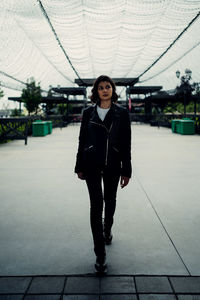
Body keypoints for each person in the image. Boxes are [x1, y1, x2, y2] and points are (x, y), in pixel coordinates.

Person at [75, 75, 132, 273]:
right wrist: (79, 165)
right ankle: (100, 253)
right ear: (96, 92)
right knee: (96, 205)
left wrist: (127, 169)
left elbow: (126, 142)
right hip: (91, 164)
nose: (105, 90)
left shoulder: (121, 113)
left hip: (113, 164)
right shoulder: (88, 112)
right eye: (101, 87)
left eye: (108, 86)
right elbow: (82, 139)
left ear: (112, 90)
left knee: (110, 200)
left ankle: (107, 228)